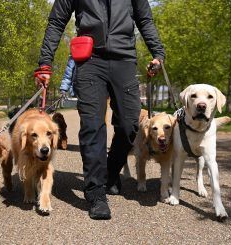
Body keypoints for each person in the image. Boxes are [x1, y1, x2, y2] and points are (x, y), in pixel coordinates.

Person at [34, 0, 165, 220]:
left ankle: (111, 173)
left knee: (130, 123)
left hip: (124, 58)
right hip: (89, 60)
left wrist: (158, 54)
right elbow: (56, 21)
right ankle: (95, 193)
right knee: (92, 126)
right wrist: (45, 64)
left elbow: (144, 19)